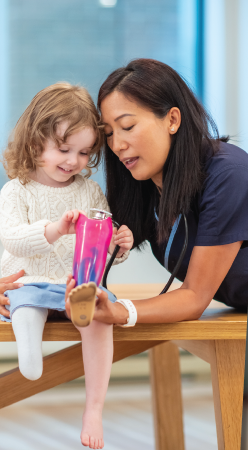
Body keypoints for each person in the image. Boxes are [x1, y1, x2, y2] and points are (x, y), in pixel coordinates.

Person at [0, 83, 134, 449]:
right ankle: (30, 355)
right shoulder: (17, 190)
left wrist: (117, 246)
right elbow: (10, 238)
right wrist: (55, 229)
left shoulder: (89, 191)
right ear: (34, 141)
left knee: (98, 314)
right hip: (28, 281)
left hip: (76, 284)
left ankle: (94, 407)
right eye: (63, 148)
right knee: (25, 299)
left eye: (84, 152)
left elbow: (98, 245)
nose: (73, 160)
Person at [79, 58, 248, 326]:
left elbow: (195, 297)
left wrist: (121, 311)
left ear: (172, 119)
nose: (117, 145)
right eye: (109, 133)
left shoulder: (228, 175)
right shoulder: (146, 185)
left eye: (127, 127)